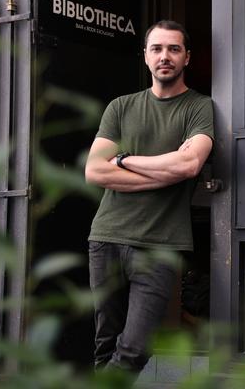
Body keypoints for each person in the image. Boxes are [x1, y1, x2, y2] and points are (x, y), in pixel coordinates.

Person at [84, 20, 214, 375]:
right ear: (145, 56)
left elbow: (189, 164)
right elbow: (95, 171)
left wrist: (125, 161)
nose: (165, 56)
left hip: (161, 244)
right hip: (107, 237)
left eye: (174, 49)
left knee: (136, 347)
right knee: (105, 343)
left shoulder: (199, 108)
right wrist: (164, 173)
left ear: (187, 57)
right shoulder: (121, 107)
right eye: (156, 49)